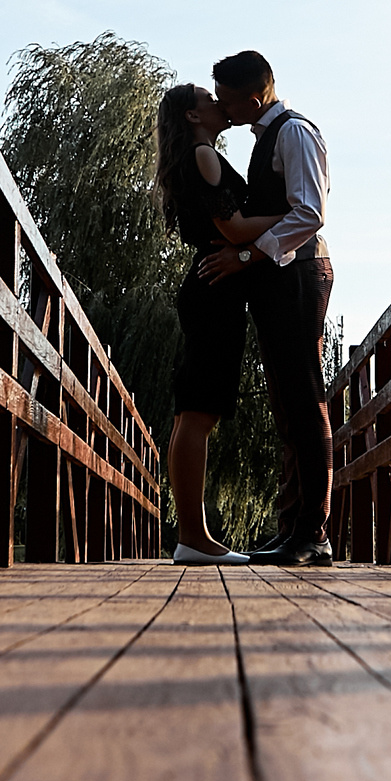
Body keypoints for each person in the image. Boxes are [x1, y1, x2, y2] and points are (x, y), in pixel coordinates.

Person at [200, 49, 335, 567]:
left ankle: (313, 533)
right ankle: (295, 529)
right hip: (282, 277)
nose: (222, 108)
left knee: (304, 397)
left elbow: (310, 213)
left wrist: (246, 255)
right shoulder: (267, 136)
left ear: (254, 100)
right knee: (288, 403)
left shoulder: (294, 133)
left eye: (227, 101)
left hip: (299, 273)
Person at [154, 81, 283, 563]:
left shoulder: (197, 156)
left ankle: (193, 535)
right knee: (199, 412)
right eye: (209, 101)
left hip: (210, 287)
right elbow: (233, 227)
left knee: (193, 411)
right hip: (215, 289)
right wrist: (292, 215)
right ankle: (193, 537)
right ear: (193, 116)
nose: (218, 103)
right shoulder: (204, 154)